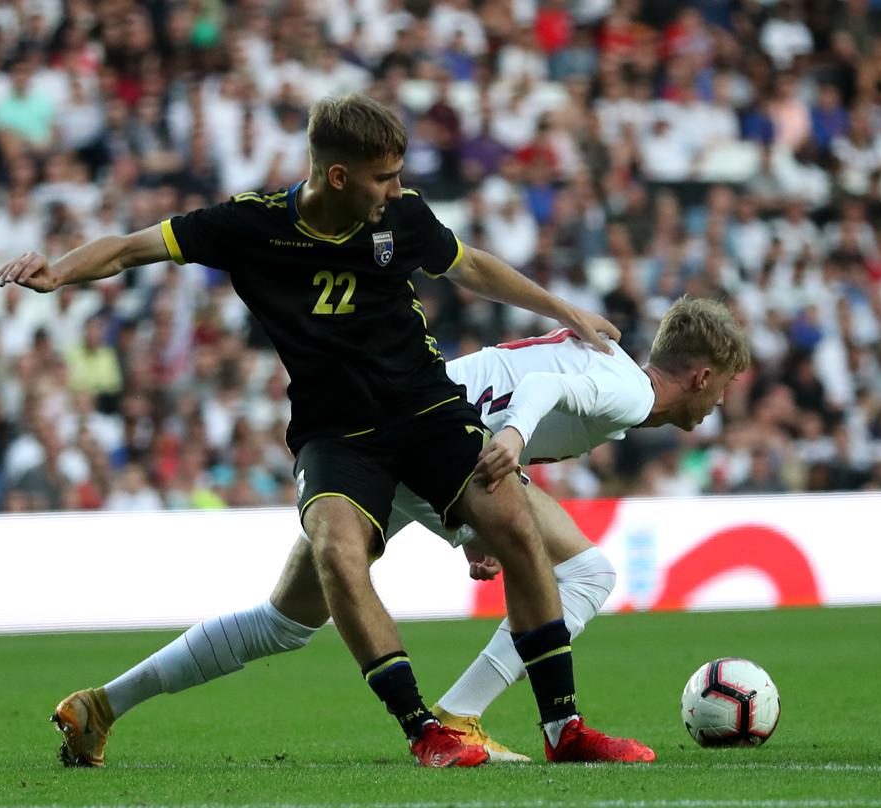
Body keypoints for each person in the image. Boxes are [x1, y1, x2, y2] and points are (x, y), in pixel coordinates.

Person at [0, 93, 639, 768]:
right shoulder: (251, 225)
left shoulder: (404, 218)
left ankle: (563, 727)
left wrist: (562, 306)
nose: (397, 190)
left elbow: (471, 265)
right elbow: (133, 248)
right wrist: (61, 270)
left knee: (512, 526)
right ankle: (425, 729)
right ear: (338, 176)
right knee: (329, 559)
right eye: (384, 177)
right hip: (337, 435)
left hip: (427, 412)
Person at [53, 297, 748, 763]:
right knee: (587, 572)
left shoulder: (612, 367)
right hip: (441, 435)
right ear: (703, 374)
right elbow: (541, 394)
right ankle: (471, 715)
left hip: (395, 432)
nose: (720, 404)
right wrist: (507, 444)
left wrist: (478, 522)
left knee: (283, 621)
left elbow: (521, 379)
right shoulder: (629, 388)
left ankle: (103, 703)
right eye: (724, 388)